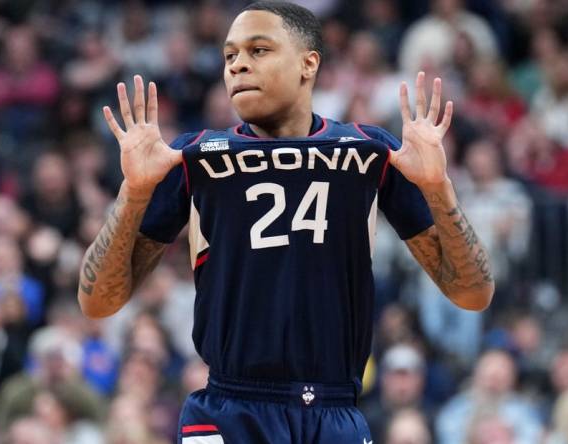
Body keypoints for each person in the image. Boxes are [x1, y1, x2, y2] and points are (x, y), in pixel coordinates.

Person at [77, 2, 494, 443]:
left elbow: (472, 292)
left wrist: (438, 186)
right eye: (229, 55)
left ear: (308, 63)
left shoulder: (371, 151)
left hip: (334, 411)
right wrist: (133, 192)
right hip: (230, 409)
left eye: (258, 50)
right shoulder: (192, 155)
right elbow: (99, 303)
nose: (238, 65)